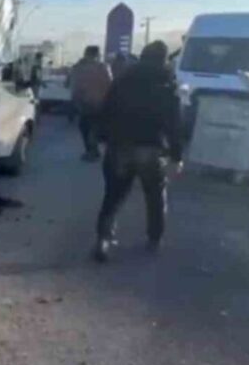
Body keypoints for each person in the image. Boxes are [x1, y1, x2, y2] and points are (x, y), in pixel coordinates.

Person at [92, 40, 184, 262]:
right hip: (151, 148)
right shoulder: (167, 85)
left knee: (113, 196)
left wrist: (102, 139)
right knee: (155, 197)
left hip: (119, 146)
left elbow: (106, 111)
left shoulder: (123, 81)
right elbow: (174, 123)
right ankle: (154, 238)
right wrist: (176, 155)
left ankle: (103, 240)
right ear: (163, 60)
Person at [67, 45, 112, 161]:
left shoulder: (79, 67)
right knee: (94, 126)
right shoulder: (103, 67)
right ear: (97, 55)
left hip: (86, 102)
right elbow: (110, 84)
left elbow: (75, 86)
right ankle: (94, 150)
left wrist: (75, 100)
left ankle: (92, 150)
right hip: (102, 102)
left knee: (86, 127)